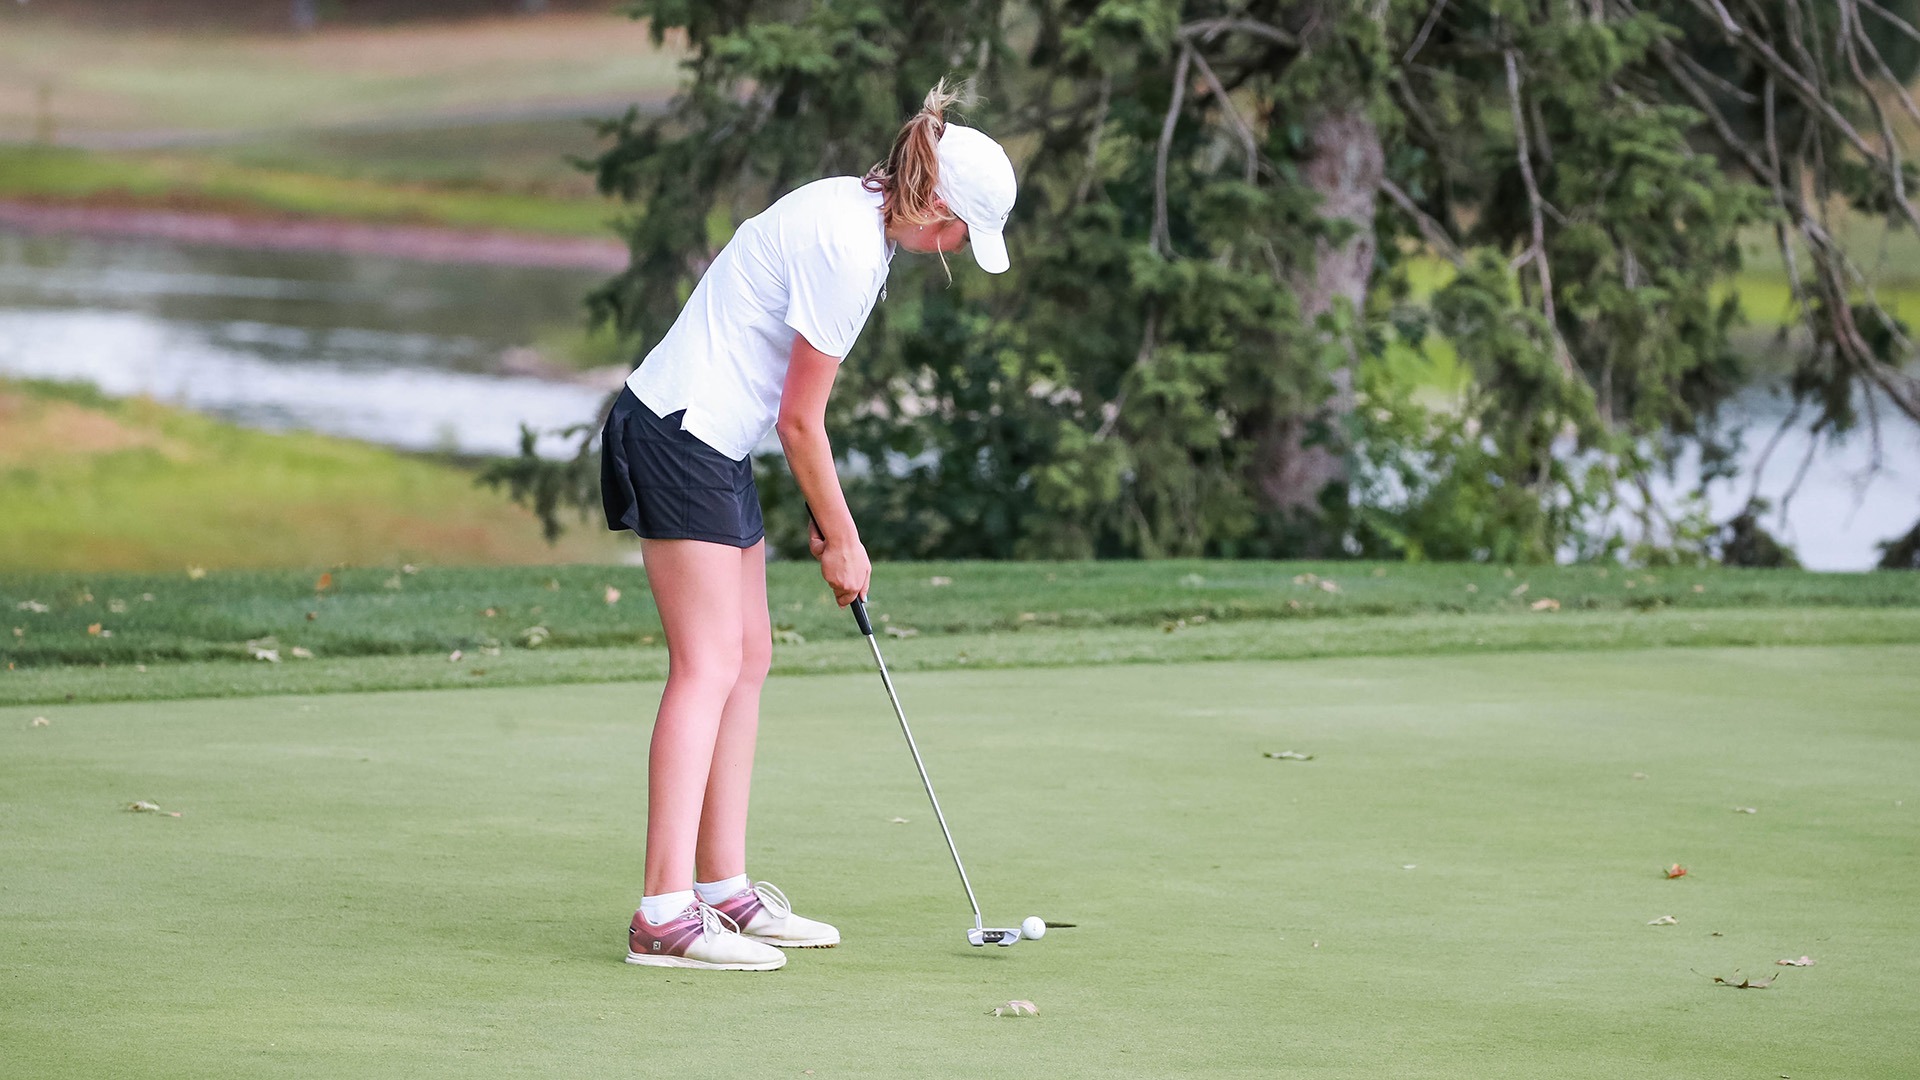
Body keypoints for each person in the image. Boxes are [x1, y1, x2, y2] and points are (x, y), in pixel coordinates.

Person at [601, 83, 1017, 971]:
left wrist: (830, 525)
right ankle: (662, 915)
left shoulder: (850, 213)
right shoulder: (849, 247)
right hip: (680, 432)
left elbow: (783, 411)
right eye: (960, 235)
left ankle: (723, 890)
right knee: (708, 664)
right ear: (938, 205)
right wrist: (845, 537)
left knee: (749, 656)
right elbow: (802, 421)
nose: (950, 252)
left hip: (711, 441)